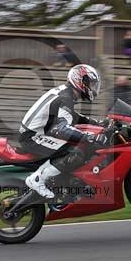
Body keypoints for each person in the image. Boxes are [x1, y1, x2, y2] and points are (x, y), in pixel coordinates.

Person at [18, 64, 107, 198]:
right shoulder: (65, 97)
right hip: (33, 137)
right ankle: (37, 179)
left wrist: (97, 123)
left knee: (78, 144)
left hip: (37, 133)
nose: (93, 88)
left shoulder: (66, 93)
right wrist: (89, 137)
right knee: (75, 152)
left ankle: (62, 185)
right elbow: (61, 129)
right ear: (79, 81)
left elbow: (72, 116)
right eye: (90, 84)